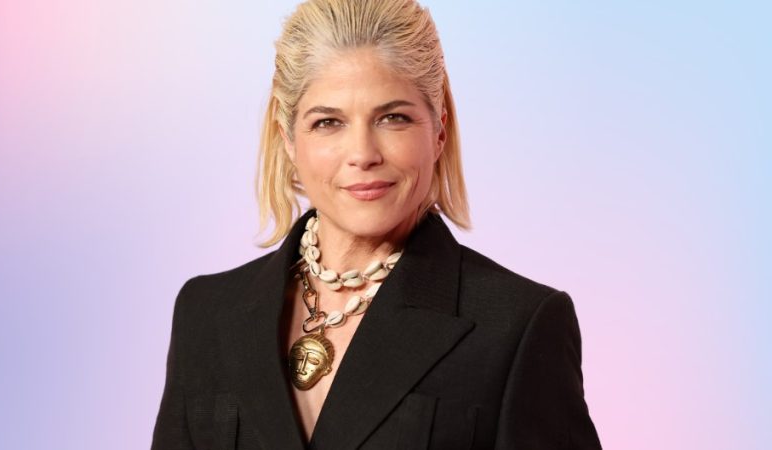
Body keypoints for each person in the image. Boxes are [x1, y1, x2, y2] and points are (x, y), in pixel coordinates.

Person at [151, 0, 602, 449]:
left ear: (438, 130)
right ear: (288, 139)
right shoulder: (206, 314)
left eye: (393, 118)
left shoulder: (519, 326)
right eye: (328, 122)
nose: (363, 154)